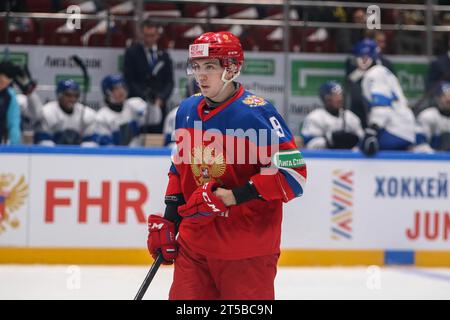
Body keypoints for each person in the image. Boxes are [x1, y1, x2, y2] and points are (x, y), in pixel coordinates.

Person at [146, 31, 307, 300]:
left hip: (246, 251)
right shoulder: (186, 110)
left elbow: (294, 175)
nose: (201, 75)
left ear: (231, 68)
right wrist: (170, 217)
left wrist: (233, 196)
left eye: (210, 66)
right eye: (197, 67)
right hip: (194, 246)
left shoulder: (257, 113)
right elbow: (179, 167)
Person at [356, 40, 416, 155]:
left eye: (365, 57)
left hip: (394, 130)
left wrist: (372, 131)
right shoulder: (382, 71)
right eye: (359, 57)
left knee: (360, 150)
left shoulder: (374, 74)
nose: (362, 60)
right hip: (402, 128)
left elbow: (381, 106)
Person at [123, 19, 174, 133]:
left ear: (157, 35)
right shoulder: (132, 53)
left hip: (159, 106)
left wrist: (160, 99)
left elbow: (169, 82)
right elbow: (130, 80)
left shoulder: (164, 55)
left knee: (157, 139)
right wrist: (144, 99)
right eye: (146, 35)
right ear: (141, 34)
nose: (149, 39)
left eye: (152, 35)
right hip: (138, 105)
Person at [96, 74, 161, 146]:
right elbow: (106, 145)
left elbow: (155, 119)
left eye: (122, 87)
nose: (121, 91)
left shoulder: (134, 104)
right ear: (108, 92)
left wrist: (152, 103)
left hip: (137, 154)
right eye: (116, 88)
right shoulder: (102, 116)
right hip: (115, 155)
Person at [345, 38, 396, 128]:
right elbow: (350, 79)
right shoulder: (352, 62)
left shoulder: (385, 64)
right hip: (359, 102)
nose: (364, 58)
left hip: (381, 103)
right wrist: (362, 70)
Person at [301, 81, 363, 149]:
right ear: (326, 99)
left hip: (346, 157)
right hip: (323, 158)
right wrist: (329, 140)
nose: (339, 99)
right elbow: (308, 144)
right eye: (335, 95)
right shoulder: (314, 117)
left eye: (340, 94)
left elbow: (361, 140)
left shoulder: (351, 117)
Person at [34, 79, 97, 146]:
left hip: (78, 153)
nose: (73, 99)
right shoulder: (47, 111)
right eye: (68, 95)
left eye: (76, 95)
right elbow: (43, 142)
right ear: (59, 95)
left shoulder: (87, 114)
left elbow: (90, 142)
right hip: (53, 153)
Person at [416, 82, 450, 151]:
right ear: (437, 98)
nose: (448, 99)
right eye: (444, 96)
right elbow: (420, 145)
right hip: (432, 158)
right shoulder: (428, 115)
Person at [0, 61, 21, 145]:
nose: (4, 81)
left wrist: (14, 147)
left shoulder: (10, 95)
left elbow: (13, 121)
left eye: (8, 79)